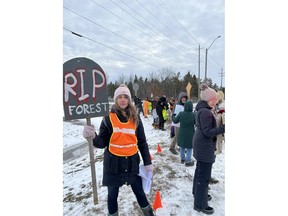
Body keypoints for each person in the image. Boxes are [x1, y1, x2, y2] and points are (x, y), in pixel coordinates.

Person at [83, 84, 155, 216]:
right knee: (112, 196)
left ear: (129, 100)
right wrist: (93, 137)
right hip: (113, 166)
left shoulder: (136, 119)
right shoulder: (107, 118)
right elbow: (102, 142)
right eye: (120, 97)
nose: (123, 100)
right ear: (116, 100)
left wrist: (147, 163)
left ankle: (149, 214)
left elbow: (142, 143)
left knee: (139, 192)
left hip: (132, 164)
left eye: (125, 97)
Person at [192, 83, 225, 215]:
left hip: (200, 145)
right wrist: (222, 128)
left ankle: (198, 195)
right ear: (209, 99)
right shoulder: (205, 112)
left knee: (199, 171)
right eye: (214, 99)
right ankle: (200, 204)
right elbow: (207, 132)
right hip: (204, 146)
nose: (215, 101)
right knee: (203, 176)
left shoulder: (202, 109)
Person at [172, 100, 196, 166]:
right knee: (189, 147)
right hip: (190, 133)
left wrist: (173, 115)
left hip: (182, 132)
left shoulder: (181, 114)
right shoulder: (193, 115)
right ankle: (188, 161)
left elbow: (175, 121)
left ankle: (182, 159)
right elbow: (196, 123)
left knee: (182, 146)